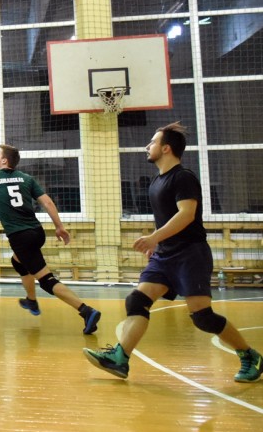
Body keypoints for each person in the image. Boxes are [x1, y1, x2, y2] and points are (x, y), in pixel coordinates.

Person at [84, 123, 261, 382]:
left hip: (190, 254)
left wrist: (154, 237)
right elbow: (166, 219)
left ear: (166, 148)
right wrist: (157, 243)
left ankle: (249, 355)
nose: (147, 146)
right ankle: (120, 358)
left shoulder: (183, 177)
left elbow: (186, 214)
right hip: (164, 256)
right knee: (136, 301)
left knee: (202, 317)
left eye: (153, 142)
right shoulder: (157, 181)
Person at [0, 144, 101, 334]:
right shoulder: (27, 178)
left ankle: (86, 311)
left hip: (20, 236)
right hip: (36, 232)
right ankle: (31, 301)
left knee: (46, 280)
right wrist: (59, 227)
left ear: (4, 160)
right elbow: (47, 202)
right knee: (18, 262)